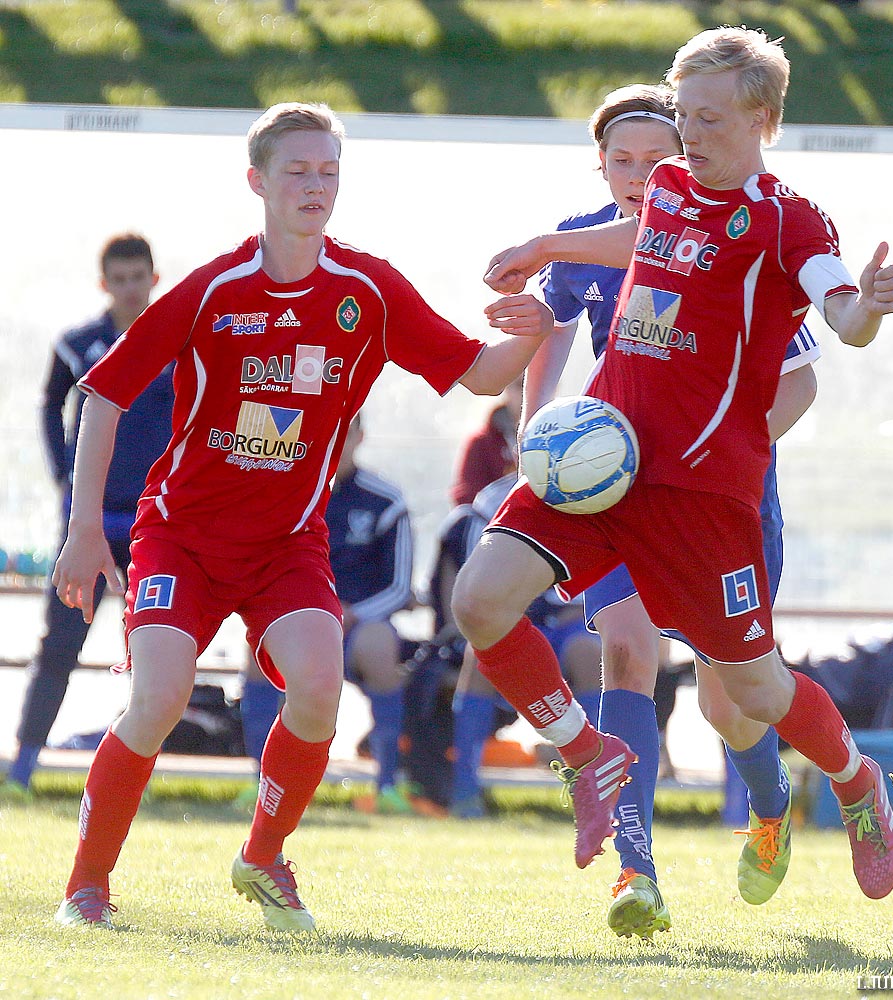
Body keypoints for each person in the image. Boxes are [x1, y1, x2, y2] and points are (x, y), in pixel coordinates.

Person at [50, 101, 555, 932]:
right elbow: (103, 391)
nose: (315, 186)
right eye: (297, 171)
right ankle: (87, 887)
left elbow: (477, 373)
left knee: (320, 692)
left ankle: (262, 858)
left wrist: (534, 331)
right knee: (160, 698)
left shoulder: (368, 288)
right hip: (181, 534)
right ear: (258, 182)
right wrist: (81, 532)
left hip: (288, 545)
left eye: (328, 172)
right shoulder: (214, 288)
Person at [457, 26, 893, 907]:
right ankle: (588, 758)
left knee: (752, 691)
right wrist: (547, 247)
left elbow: (840, 312)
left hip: (704, 494)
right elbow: (643, 238)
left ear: (761, 118)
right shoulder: (666, 185)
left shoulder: (787, 217)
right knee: (478, 601)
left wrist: (870, 310)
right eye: (683, 114)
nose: (688, 134)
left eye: (707, 119)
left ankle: (856, 781)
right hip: (603, 467)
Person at [521, 82, 821, 938]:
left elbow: (800, 378)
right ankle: (634, 869)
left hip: (722, 499)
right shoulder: (583, 247)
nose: (638, 175)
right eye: (622, 160)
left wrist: (716, 449)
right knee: (624, 647)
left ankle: (769, 804)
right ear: (601, 166)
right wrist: (532, 431)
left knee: (732, 705)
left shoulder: (721, 239)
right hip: (618, 495)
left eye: (659, 160)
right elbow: (543, 334)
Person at [0, 234, 172, 801]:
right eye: (118, 279)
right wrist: (63, 476)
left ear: (154, 277)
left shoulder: (180, 339)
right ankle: (23, 767)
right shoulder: (79, 344)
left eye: (137, 277)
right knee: (60, 643)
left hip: (160, 526)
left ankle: (136, 775)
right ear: (105, 284)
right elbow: (51, 405)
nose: (129, 288)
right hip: (91, 524)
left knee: (156, 652)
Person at [235, 412, 421, 815]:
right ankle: (261, 783)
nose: (336, 441)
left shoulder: (385, 499)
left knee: (379, 647)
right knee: (255, 654)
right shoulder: (284, 489)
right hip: (298, 617)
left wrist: (349, 615)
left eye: (345, 431)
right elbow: (257, 564)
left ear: (360, 436)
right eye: (327, 429)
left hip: (358, 624)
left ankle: (387, 785)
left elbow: (400, 587)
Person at [431, 473, 603, 818]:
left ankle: (595, 783)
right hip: (515, 620)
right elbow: (478, 589)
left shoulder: (601, 489)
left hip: (572, 624)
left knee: (589, 654)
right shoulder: (492, 501)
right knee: (476, 659)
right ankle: (464, 791)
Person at [449, 375, 524, 505]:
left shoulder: (563, 442)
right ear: (506, 388)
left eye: (545, 381)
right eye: (521, 385)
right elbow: (466, 501)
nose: (529, 391)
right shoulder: (482, 443)